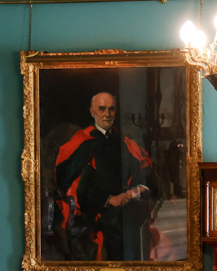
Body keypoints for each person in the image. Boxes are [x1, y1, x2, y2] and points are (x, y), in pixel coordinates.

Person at [53, 92, 153, 261]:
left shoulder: (124, 141)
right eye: (102, 109)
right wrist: (108, 199)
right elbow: (71, 181)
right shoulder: (81, 141)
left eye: (111, 109)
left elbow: (143, 171)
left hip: (126, 205)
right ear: (92, 112)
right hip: (93, 209)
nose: (107, 114)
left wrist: (136, 190)